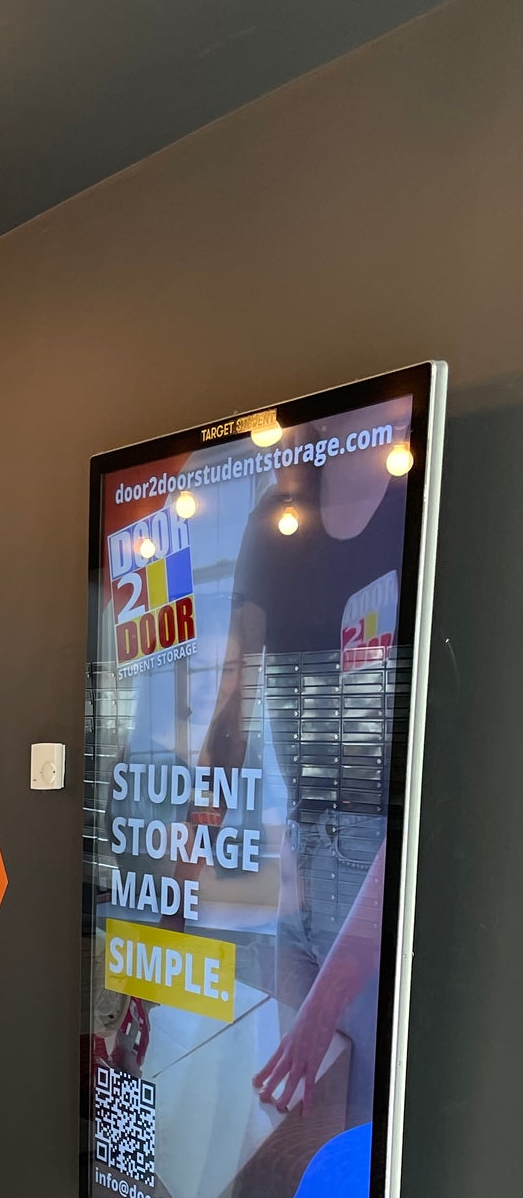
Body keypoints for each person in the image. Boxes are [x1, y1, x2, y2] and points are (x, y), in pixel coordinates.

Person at [199, 420, 410, 1130]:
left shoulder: (407, 506)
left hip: (374, 862)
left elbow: (414, 794)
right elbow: (234, 698)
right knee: (291, 1104)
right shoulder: (272, 521)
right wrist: (192, 850)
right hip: (302, 838)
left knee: (351, 1109)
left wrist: (325, 1002)